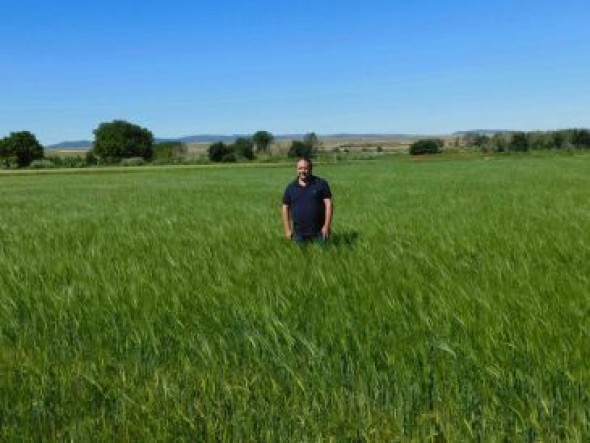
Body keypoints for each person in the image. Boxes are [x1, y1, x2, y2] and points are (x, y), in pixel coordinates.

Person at [282, 158, 333, 243]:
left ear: (310, 169)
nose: (303, 171)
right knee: (299, 256)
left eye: (305, 168)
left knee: (323, 255)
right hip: (298, 234)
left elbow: (329, 204)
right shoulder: (291, 187)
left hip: (320, 233)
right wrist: (287, 229)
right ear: (296, 169)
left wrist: (327, 226)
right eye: (300, 168)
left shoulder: (321, 184)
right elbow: (285, 207)